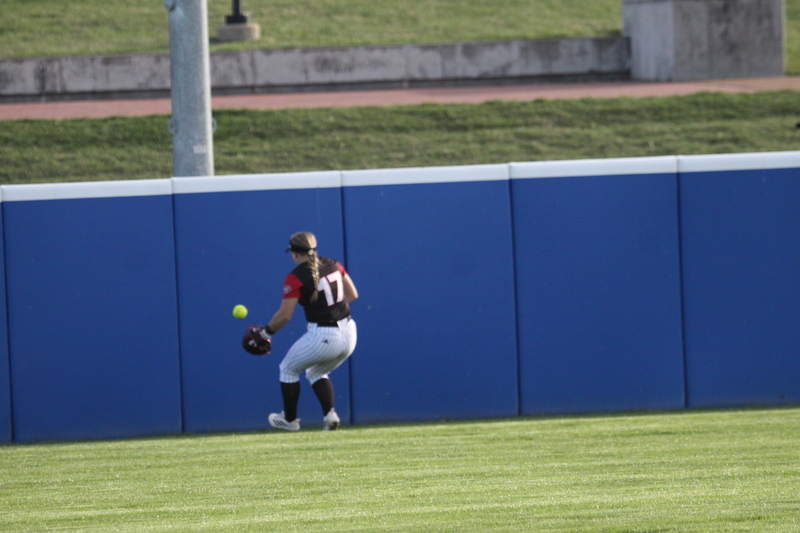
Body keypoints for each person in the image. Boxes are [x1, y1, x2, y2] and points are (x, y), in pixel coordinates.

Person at [254, 231, 358, 431]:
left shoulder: (296, 276)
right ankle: (330, 415)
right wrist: (330, 309)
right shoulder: (333, 263)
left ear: (294, 253)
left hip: (324, 334)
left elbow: (284, 316)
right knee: (317, 371)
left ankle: (290, 420)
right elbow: (352, 294)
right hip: (350, 332)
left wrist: (265, 334)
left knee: (287, 369)